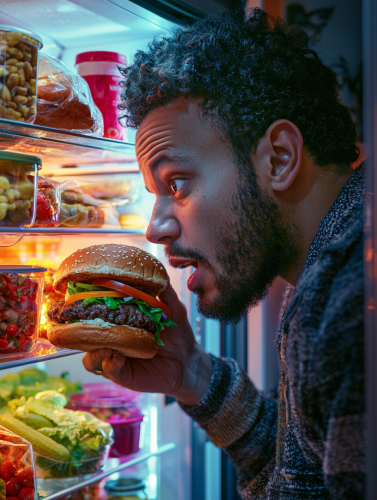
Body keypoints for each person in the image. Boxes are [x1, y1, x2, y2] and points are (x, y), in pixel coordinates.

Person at [83, 9, 365, 499]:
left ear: (278, 157)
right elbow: (305, 476)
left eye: (176, 182)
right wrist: (191, 373)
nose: (155, 228)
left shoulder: (343, 304)